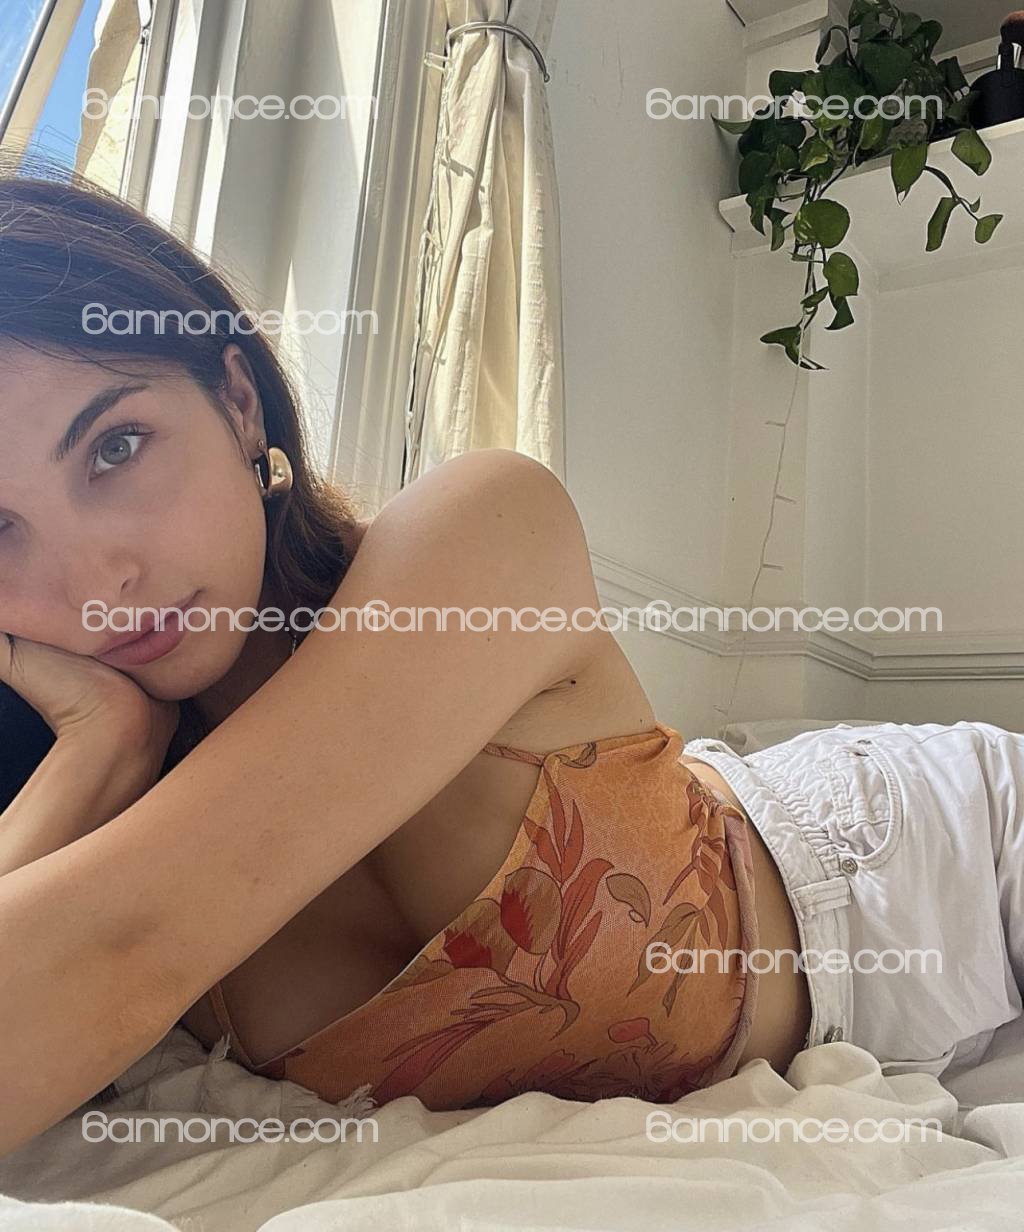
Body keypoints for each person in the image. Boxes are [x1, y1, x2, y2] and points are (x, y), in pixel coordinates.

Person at [0, 172, 1019, 1161]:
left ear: (237, 402)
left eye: (116, 448)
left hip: (904, 853)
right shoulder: (106, 781)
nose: (98, 582)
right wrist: (97, 754)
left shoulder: (476, 531)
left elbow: (123, 948)